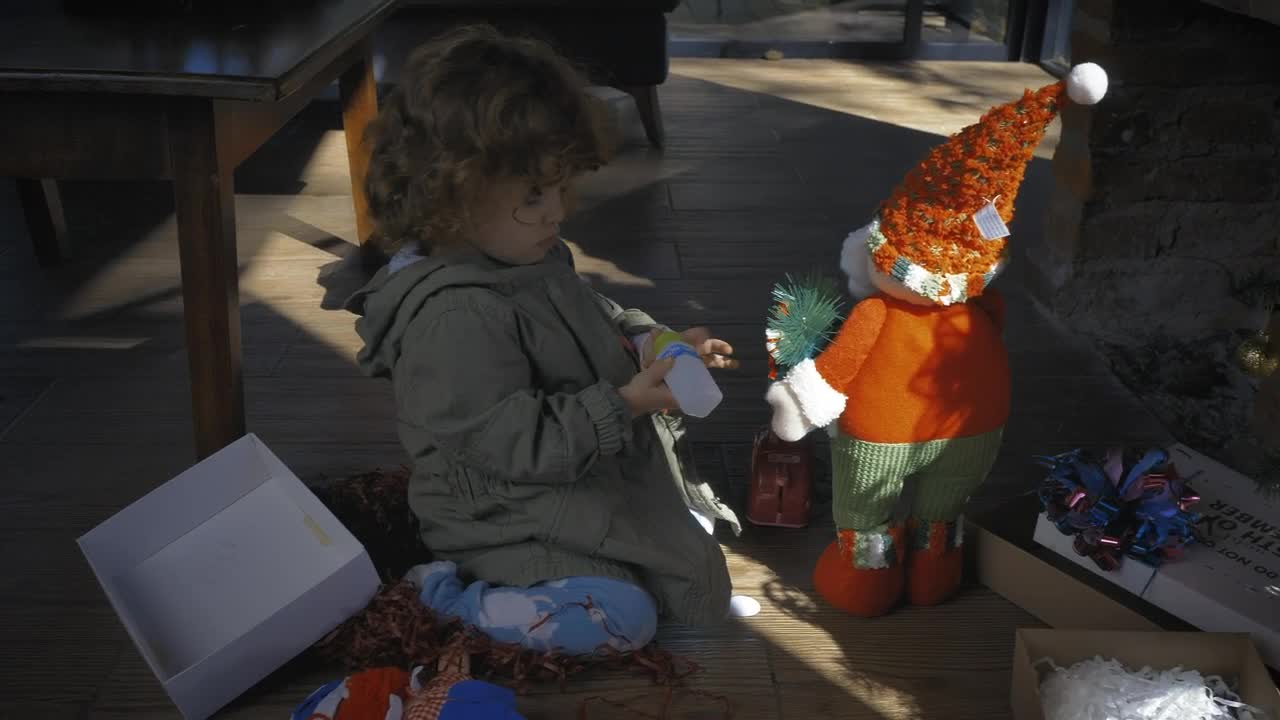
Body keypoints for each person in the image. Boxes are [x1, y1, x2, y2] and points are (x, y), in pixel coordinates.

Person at [345, 24, 741, 657]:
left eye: (563, 186)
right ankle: (448, 598)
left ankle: (613, 564)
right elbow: (504, 442)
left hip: (564, 485)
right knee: (622, 619)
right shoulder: (454, 317)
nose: (558, 211)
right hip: (501, 518)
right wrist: (624, 406)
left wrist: (651, 341)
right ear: (452, 188)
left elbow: (590, 314)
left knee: (682, 533)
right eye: (534, 195)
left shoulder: (524, 251)